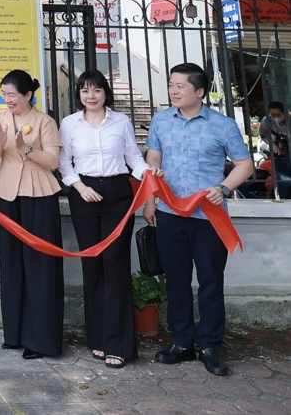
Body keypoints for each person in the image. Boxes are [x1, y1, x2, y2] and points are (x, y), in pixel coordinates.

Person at [142, 62, 253, 377]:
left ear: (200, 91)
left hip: (209, 217)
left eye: (181, 86)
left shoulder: (223, 125)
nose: (174, 91)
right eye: (171, 85)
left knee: (210, 281)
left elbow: (244, 165)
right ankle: (181, 343)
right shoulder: (161, 121)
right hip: (169, 214)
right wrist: (149, 201)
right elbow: (153, 162)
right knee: (176, 281)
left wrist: (224, 187)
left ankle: (210, 346)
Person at [58, 69, 153, 369]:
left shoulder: (121, 121)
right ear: (79, 95)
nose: (91, 96)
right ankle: (97, 338)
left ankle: (119, 343)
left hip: (117, 193)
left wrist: (148, 176)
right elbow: (64, 162)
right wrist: (80, 187)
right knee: (92, 265)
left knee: (115, 264)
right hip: (83, 194)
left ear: (105, 93)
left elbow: (133, 158)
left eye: (97, 90)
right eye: (85, 91)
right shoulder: (69, 124)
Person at [0, 69, 63, 360]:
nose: (7, 100)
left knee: (40, 266)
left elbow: (53, 160)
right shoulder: (0, 120)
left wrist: (25, 148)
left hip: (39, 194)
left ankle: (40, 339)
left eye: (12, 95)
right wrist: (1, 143)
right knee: (12, 263)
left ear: (28, 95)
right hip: (7, 194)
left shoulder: (45, 121)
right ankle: (13, 333)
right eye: (4, 94)